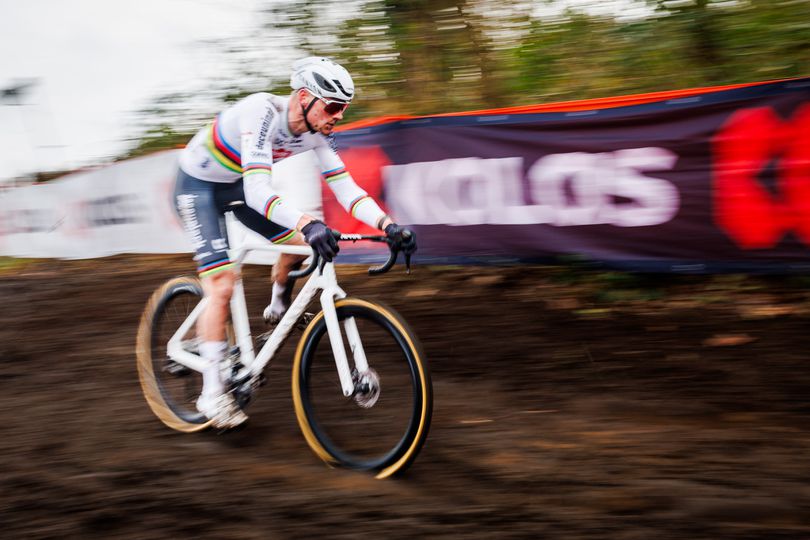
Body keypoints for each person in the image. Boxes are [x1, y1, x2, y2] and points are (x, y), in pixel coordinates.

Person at [173, 56, 416, 429]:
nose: (338, 116)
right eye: (333, 107)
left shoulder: (318, 132)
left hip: (235, 186)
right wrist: (309, 222)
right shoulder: (262, 112)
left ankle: (277, 306)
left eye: (343, 109)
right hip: (198, 187)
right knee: (221, 285)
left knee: (303, 243)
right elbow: (257, 190)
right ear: (304, 97)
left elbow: (347, 190)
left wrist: (389, 224)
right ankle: (210, 393)